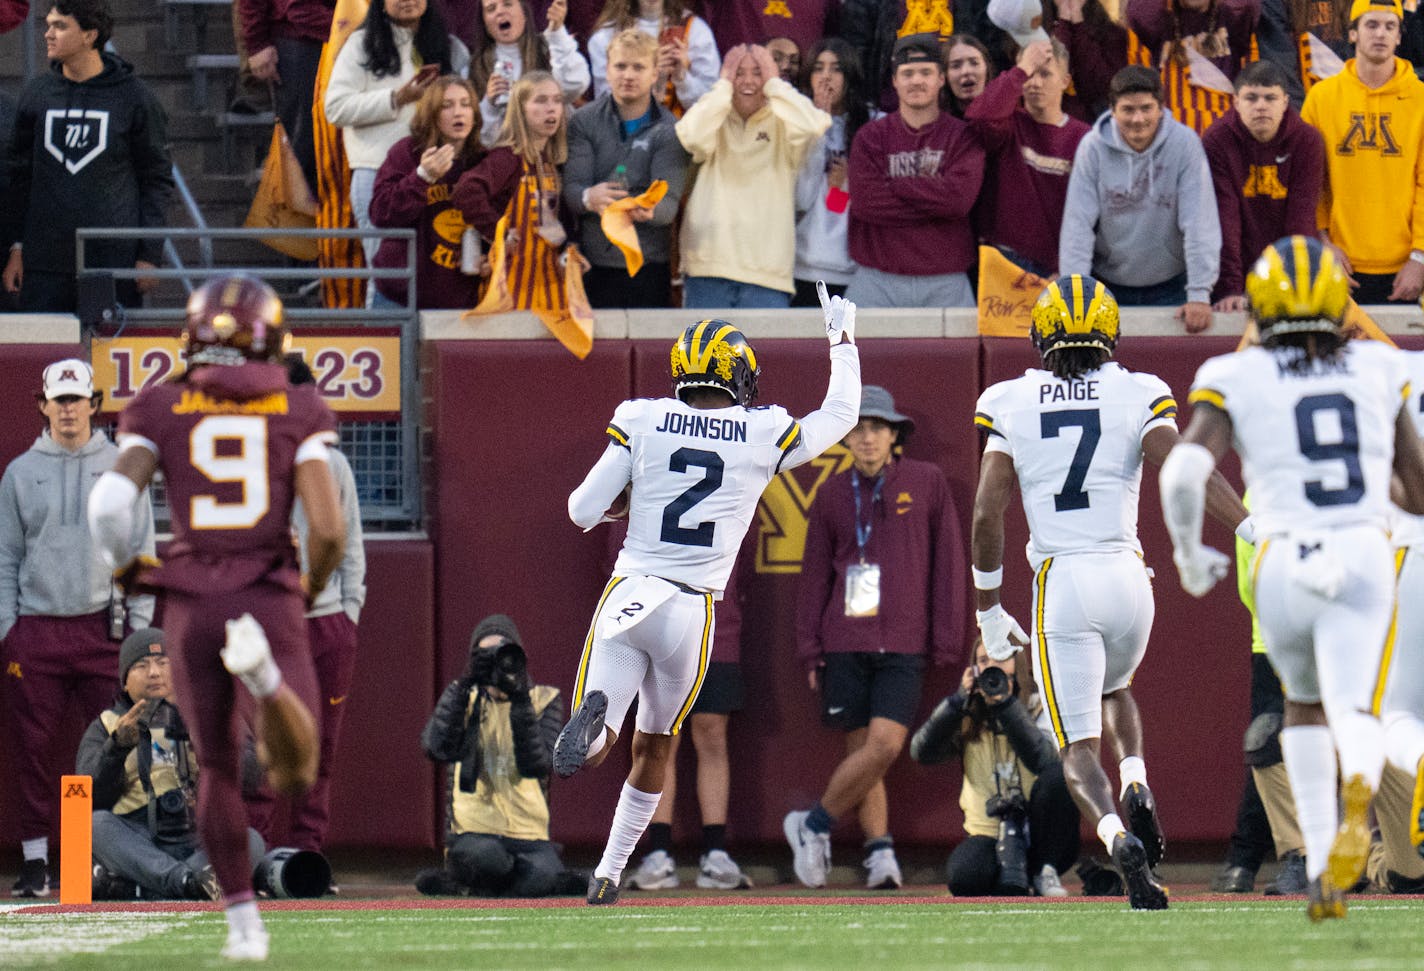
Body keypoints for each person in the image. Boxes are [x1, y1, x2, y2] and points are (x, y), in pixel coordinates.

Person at [554, 289, 862, 905]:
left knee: (603, 738)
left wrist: (625, 502)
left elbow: (580, 510)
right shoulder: (759, 430)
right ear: (737, 375)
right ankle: (609, 874)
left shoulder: (640, 417)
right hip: (694, 611)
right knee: (658, 743)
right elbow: (841, 415)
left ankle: (587, 728)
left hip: (632, 589)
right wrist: (841, 338)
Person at [1159, 234, 1424, 919]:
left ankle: (1316, 855)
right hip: (1364, 552)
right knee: (1359, 705)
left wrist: (1189, 552)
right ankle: (1360, 789)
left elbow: (1185, 469)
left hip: (1282, 557)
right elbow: (1418, 491)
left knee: (1301, 704)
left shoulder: (1238, 373)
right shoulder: (1376, 367)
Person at [87, 274, 346, 960]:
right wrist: (310, 585)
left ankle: (242, 925)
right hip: (265, 586)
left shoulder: (160, 402)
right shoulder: (296, 402)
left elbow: (110, 509)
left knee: (216, 769)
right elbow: (327, 527)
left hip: (191, 596)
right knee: (294, 768)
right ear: (270, 334)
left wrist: (127, 569)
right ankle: (262, 678)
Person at [972, 273, 1249, 910]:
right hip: (1130, 579)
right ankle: (1139, 779)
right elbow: (1180, 467)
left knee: (1075, 749)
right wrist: (1249, 526)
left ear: (1040, 334)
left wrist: (989, 607)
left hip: (1063, 581)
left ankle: (1115, 834)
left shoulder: (1009, 399)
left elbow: (989, 512)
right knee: (1115, 688)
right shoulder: (1138, 390)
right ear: (1110, 333)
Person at [788, 385, 965, 890]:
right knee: (861, 750)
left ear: (895, 437)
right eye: (858, 429)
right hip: (844, 640)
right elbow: (814, 576)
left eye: (877, 428)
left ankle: (814, 823)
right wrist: (810, 647)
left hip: (904, 642)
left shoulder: (926, 483)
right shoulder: (830, 493)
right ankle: (880, 851)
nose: (867, 438)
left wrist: (947, 638)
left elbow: (948, 564)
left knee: (886, 745)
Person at [1, 358, 156, 898]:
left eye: (77, 399)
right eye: (58, 400)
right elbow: (5, 555)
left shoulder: (121, 466)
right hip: (37, 629)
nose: (68, 409)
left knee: (111, 748)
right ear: (43, 405)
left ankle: (99, 857)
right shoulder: (20, 472)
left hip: (102, 626)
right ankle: (37, 861)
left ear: (94, 403)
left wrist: (137, 631)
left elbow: (142, 549)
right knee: (32, 749)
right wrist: (9, 628)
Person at [2, 0, 173, 314]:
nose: (48, 34)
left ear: (90, 35)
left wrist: (149, 253)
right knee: (45, 360)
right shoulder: (37, 94)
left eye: (60, 26)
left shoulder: (135, 98)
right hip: (43, 265)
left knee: (105, 354)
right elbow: (18, 177)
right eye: (48, 25)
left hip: (110, 263)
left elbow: (156, 180)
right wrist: (16, 247)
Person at [78, 628, 266, 901]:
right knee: (94, 825)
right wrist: (116, 748)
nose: (154, 673)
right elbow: (87, 795)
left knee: (250, 839)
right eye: (142, 666)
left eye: (163, 663)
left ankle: (147, 887)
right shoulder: (106, 725)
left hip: (198, 833)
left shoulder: (210, 714)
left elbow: (252, 778)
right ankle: (190, 882)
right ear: (125, 681)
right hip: (139, 835)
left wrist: (211, 746)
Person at [415, 614, 585, 897]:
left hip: (528, 833)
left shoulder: (543, 699)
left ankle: (462, 885)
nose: (495, 663)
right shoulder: (463, 696)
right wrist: (467, 683)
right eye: (485, 656)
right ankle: (528, 882)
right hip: (474, 831)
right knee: (488, 860)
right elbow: (436, 747)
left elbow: (539, 765)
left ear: (517, 657)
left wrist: (519, 698)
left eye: (502, 654)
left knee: (538, 878)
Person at [624, 530, 754, 892]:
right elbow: (622, 564)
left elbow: (741, 562)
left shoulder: (729, 486)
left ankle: (715, 853)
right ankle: (659, 853)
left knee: (712, 732)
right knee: (660, 739)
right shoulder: (642, 490)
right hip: (659, 631)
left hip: (716, 625)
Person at [911, 636, 1080, 897]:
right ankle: (1008, 879)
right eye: (983, 660)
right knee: (965, 879)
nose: (992, 667)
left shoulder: (1040, 706)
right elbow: (922, 752)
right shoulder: (968, 714)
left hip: (1041, 835)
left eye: (1000, 658)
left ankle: (1043, 870)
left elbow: (1046, 762)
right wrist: (956, 704)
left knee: (1060, 776)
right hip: (989, 833)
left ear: (1018, 666)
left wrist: (1007, 705)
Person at [1058, 66, 1220, 333]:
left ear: (1161, 108)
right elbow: (1078, 225)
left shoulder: (1185, 144)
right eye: (1128, 110)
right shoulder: (1093, 147)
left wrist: (1200, 293)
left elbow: (1199, 221)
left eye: (1146, 108)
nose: (1138, 118)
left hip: (1172, 286)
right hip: (1107, 286)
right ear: (1112, 110)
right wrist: (1076, 297)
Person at [675, 43, 829, 309]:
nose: (748, 81)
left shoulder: (785, 121)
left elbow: (815, 125)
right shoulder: (714, 116)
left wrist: (774, 84)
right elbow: (689, 136)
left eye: (758, 72)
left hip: (767, 274)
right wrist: (722, 86)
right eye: (738, 72)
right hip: (707, 268)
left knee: (761, 353)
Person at [284, 356, 366, 857]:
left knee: (322, 749)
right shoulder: (253, 459)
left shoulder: (333, 463)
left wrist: (348, 612)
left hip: (327, 623)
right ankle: (256, 852)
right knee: (263, 747)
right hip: (272, 622)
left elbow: (350, 543)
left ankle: (308, 853)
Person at [323, 0, 470, 269]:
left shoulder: (450, 47)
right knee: (387, 277)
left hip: (437, 176)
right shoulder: (360, 45)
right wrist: (396, 98)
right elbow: (335, 108)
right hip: (376, 172)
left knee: (433, 274)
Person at [845, 33, 985, 310]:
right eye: (907, 73)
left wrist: (895, 185)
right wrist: (934, 196)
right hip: (876, 278)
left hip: (946, 280)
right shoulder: (870, 137)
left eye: (925, 72)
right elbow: (865, 204)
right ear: (895, 81)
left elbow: (958, 201)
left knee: (955, 355)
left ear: (941, 79)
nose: (917, 81)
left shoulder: (963, 136)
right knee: (848, 353)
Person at [1211, 498, 1308, 895]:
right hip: (1277, 640)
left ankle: (1245, 858)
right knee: (1270, 745)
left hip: (1336, 635)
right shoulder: (1261, 495)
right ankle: (1294, 856)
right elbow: (1252, 584)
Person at [1300, 0, 1424, 305]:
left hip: (1405, 268)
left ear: (1399, 36)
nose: (1380, 34)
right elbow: (1310, 179)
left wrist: (1420, 257)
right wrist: (1322, 241)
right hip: (1339, 264)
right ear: (1353, 34)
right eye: (1371, 25)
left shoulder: (1420, 99)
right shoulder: (1321, 98)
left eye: (1389, 26)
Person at [563, 28, 690, 308]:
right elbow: (571, 188)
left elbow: (669, 203)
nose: (628, 75)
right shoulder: (583, 121)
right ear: (607, 70)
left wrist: (649, 210)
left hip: (648, 265)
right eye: (620, 66)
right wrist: (588, 198)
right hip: (591, 262)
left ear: (655, 73)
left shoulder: (670, 131)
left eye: (638, 67)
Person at [1202, 60, 1325, 311]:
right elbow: (1226, 219)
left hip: (1288, 268)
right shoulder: (1217, 139)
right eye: (1251, 98)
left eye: (1270, 98)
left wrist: (1296, 285)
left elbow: (1301, 218)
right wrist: (1230, 288)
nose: (1261, 106)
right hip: (1238, 265)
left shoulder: (1307, 140)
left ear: (1285, 102)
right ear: (1235, 101)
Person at [453, 72, 579, 313]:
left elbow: (548, 224)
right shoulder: (507, 157)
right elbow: (466, 191)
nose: (551, 109)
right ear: (520, 109)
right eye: (541, 101)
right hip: (508, 290)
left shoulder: (547, 162)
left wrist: (568, 252)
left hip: (546, 286)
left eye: (556, 100)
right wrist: (497, 233)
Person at [966, 38, 1091, 278]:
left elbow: (1090, 214)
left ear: (1065, 81)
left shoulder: (1084, 138)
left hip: (1058, 265)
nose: (1034, 83)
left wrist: (1066, 267)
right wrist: (1020, 71)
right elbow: (979, 118)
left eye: (1045, 74)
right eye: (1030, 74)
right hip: (1004, 259)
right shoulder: (1009, 123)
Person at [369, 76, 488, 309]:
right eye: (447, 105)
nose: (458, 113)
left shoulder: (483, 161)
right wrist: (423, 177)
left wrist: (490, 257)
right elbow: (381, 214)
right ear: (431, 114)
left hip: (459, 301)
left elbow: (497, 222)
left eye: (466, 104)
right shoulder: (407, 152)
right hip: (401, 298)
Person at [791, 37, 871, 306]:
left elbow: (841, 201)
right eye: (818, 68)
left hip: (854, 266)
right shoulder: (794, 123)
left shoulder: (873, 124)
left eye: (836, 69)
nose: (826, 77)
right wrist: (816, 129)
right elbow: (801, 196)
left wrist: (848, 185)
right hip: (803, 262)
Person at [237, 0, 333, 193]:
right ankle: (294, 218)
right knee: (301, 149)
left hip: (351, 32)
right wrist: (257, 43)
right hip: (299, 37)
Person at [1125, 0, 1260, 135]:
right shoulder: (1157, 19)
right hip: (1172, 137)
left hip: (1223, 138)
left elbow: (1248, 5)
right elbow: (1137, 12)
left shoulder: (1233, 18)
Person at [470, 0, 590, 148]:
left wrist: (557, 32)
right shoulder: (475, 68)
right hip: (507, 157)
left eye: (507, 4)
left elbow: (575, 85)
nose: (500, 11)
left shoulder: (548, 47)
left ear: (524, 13)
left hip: (555, 151)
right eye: (491, 8)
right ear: (484, 22)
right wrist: (489, 105)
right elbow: (483, 139)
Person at [587, 0, 719, 114]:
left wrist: (682, 77)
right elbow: (606, 107)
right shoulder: (605, 36)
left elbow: (711, 104)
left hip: (684, 135)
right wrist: (651, 75)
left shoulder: (695, 30)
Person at [1048, 0, 1128, 120]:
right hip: (1051, 114)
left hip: (1097, 116)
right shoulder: (1038, 24)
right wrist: (1063, 22)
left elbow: (1100, 85)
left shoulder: (1113, 32)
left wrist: (1078, 23)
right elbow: (1053, 71)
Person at [944, 33, 995, 119]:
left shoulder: (1007, 118)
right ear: (944, 75)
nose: (966, 71)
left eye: (974, 63)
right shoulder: (936, 123)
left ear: (987, 67)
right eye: (956, 66)